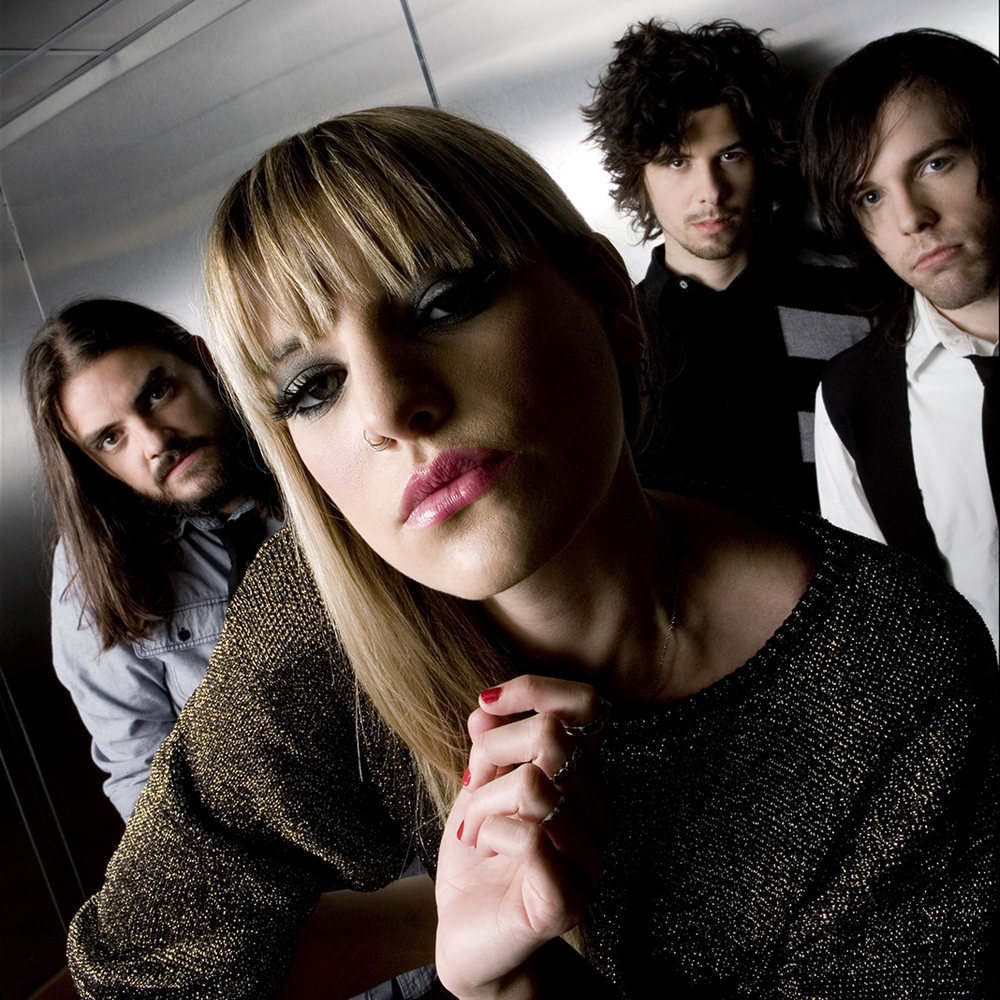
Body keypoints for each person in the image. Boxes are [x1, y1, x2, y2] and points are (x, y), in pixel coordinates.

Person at [67, 107, 995, 999]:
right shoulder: (317, 622)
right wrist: (464, 933)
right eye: (313, 386)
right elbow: (137, 970)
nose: (390, 410)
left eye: (442, 303)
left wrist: (517, 979)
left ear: (607, 298)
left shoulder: (897, 674)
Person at [582, 19, 869, 511]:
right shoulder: (618, 339)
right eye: (677, 162)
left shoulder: (855, 288)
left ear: (762, 158)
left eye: (731, 156)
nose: (711, 191)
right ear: (639, 175)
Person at [23, 299, 284, 820]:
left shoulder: (312, 446)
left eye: (158, 393)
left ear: (202, 360)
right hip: (279, 854)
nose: (155, 442)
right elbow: (142, 773)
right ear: (93, 464)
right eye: (111, 438)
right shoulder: (94, 570)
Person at [802, 30, 998, 652]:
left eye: (935, 164)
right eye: (871, 196)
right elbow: (883, 637)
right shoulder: (853, 399)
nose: (911, 217)